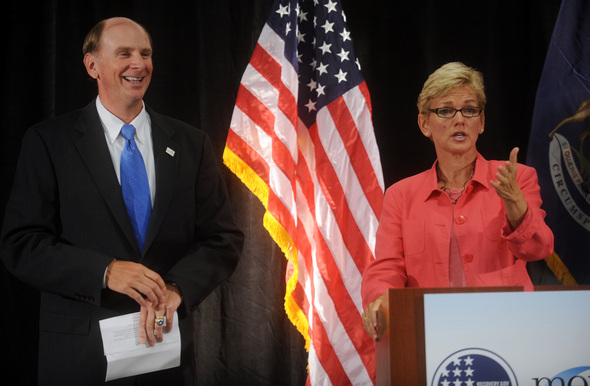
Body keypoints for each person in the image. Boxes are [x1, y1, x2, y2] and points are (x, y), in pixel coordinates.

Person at [0, 17, 244, 385]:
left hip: (164, 354)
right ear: (92, 65)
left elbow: (223, 239)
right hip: (80, 359)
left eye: (145, 54)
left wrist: (177, 288)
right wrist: (105, 271)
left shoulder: (191, 143)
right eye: (124, 53)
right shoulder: (49, 142)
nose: (139, 64)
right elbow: (21, 243)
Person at [361, 62, 554, 341]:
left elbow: (540, 248)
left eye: (470, 110)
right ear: (424, 123)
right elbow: (387, 267)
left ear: (481, 122)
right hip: (429, 333)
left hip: (507, 332)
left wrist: (514, 203)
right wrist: (379, 299)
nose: (460, 119)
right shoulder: (401, 195)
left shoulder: (516, 178)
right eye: (446, 110)